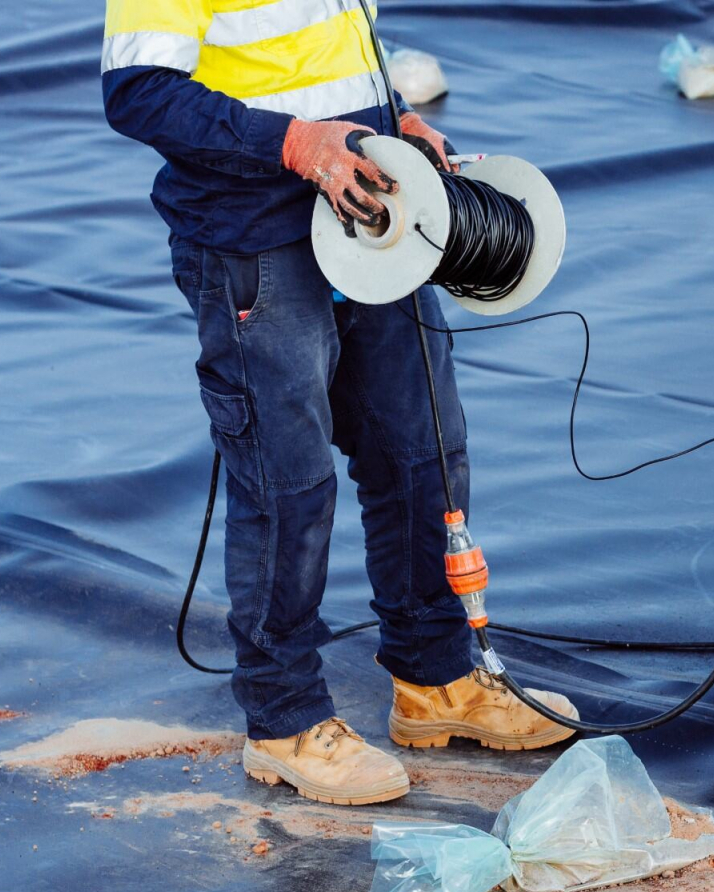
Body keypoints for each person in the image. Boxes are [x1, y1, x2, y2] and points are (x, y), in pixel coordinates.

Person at [102, 0, 576, 806]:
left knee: (421, 449)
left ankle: (435, 679)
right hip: (255, 235)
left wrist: (397, 120)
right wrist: (295, 143)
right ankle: (284, 719)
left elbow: (328, 53)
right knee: (287, 483)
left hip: (372, 214)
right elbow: (139, 90)